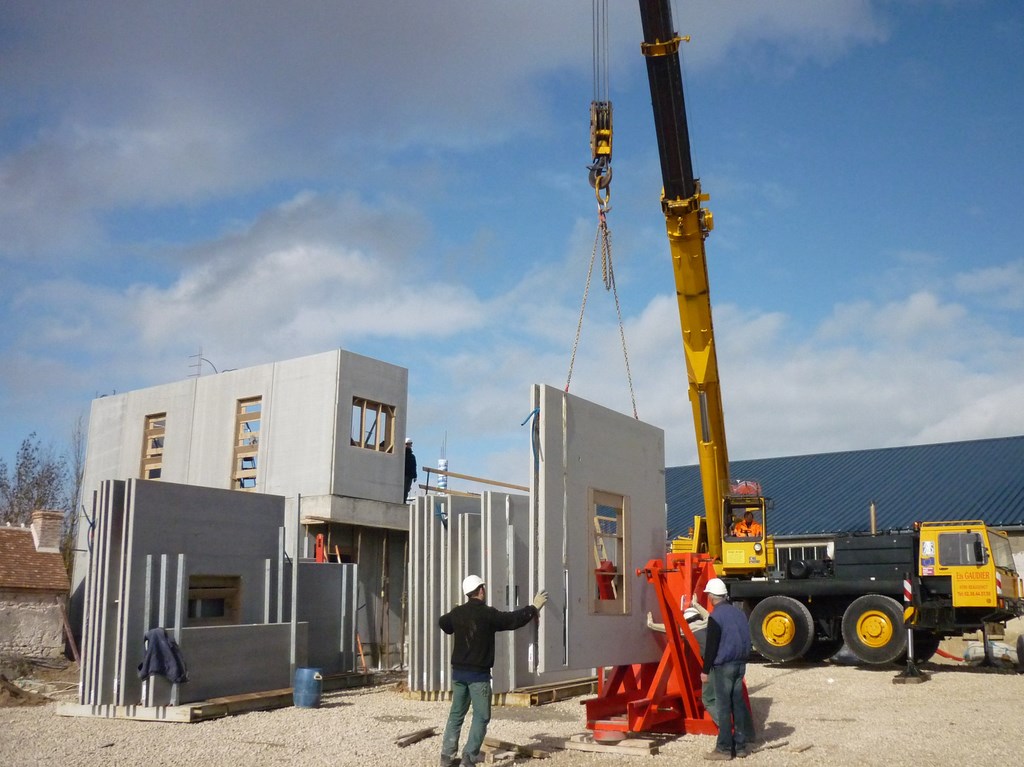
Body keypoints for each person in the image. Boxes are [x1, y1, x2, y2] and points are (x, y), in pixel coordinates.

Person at [438, 575, 548, 766]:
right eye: (484, 588)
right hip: (478, 676)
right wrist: (532, 608)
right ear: (481, 590)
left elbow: (443, 623)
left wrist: (455, 613)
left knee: (457, 714)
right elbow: (512, 620)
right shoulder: (488, 614)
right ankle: (469, 758)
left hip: (458, 674)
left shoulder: (458, 613)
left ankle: (446, 757)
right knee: (481, 716)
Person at [700, 578, 754, 760]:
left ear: (711, 597)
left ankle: (723, 749)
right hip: (740, 664)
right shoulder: (738, 613)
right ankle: (740, 747)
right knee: (738, 705)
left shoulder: (716, 616)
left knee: (724, 707)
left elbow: (711, 646)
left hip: (724, 666)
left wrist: (705, 670)